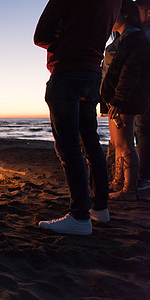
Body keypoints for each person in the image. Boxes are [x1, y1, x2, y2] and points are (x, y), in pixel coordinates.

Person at [34, 0, 121, 235]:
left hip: (67, 70)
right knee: (90, 141)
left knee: (68, 145)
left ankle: (79, 215)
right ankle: (99, 209)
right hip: (93, 72)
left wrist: (64, 35)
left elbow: (40, 35)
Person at [100, 0, 150, 201]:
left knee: (125, 144)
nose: (111, 18)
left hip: (124, 100)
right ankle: (118, 182)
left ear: (126, 15)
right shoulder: (120, 40)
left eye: (115, 13)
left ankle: (129, 189)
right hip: (114, 100)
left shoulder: (134, 39)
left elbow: (129, 73)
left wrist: (119, 99)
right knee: (116, 143)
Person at [135, 0, 150, 190]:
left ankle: (143, 176)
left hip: (144, 90)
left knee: (143, 132)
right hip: (142, 90)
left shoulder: (144, 35)